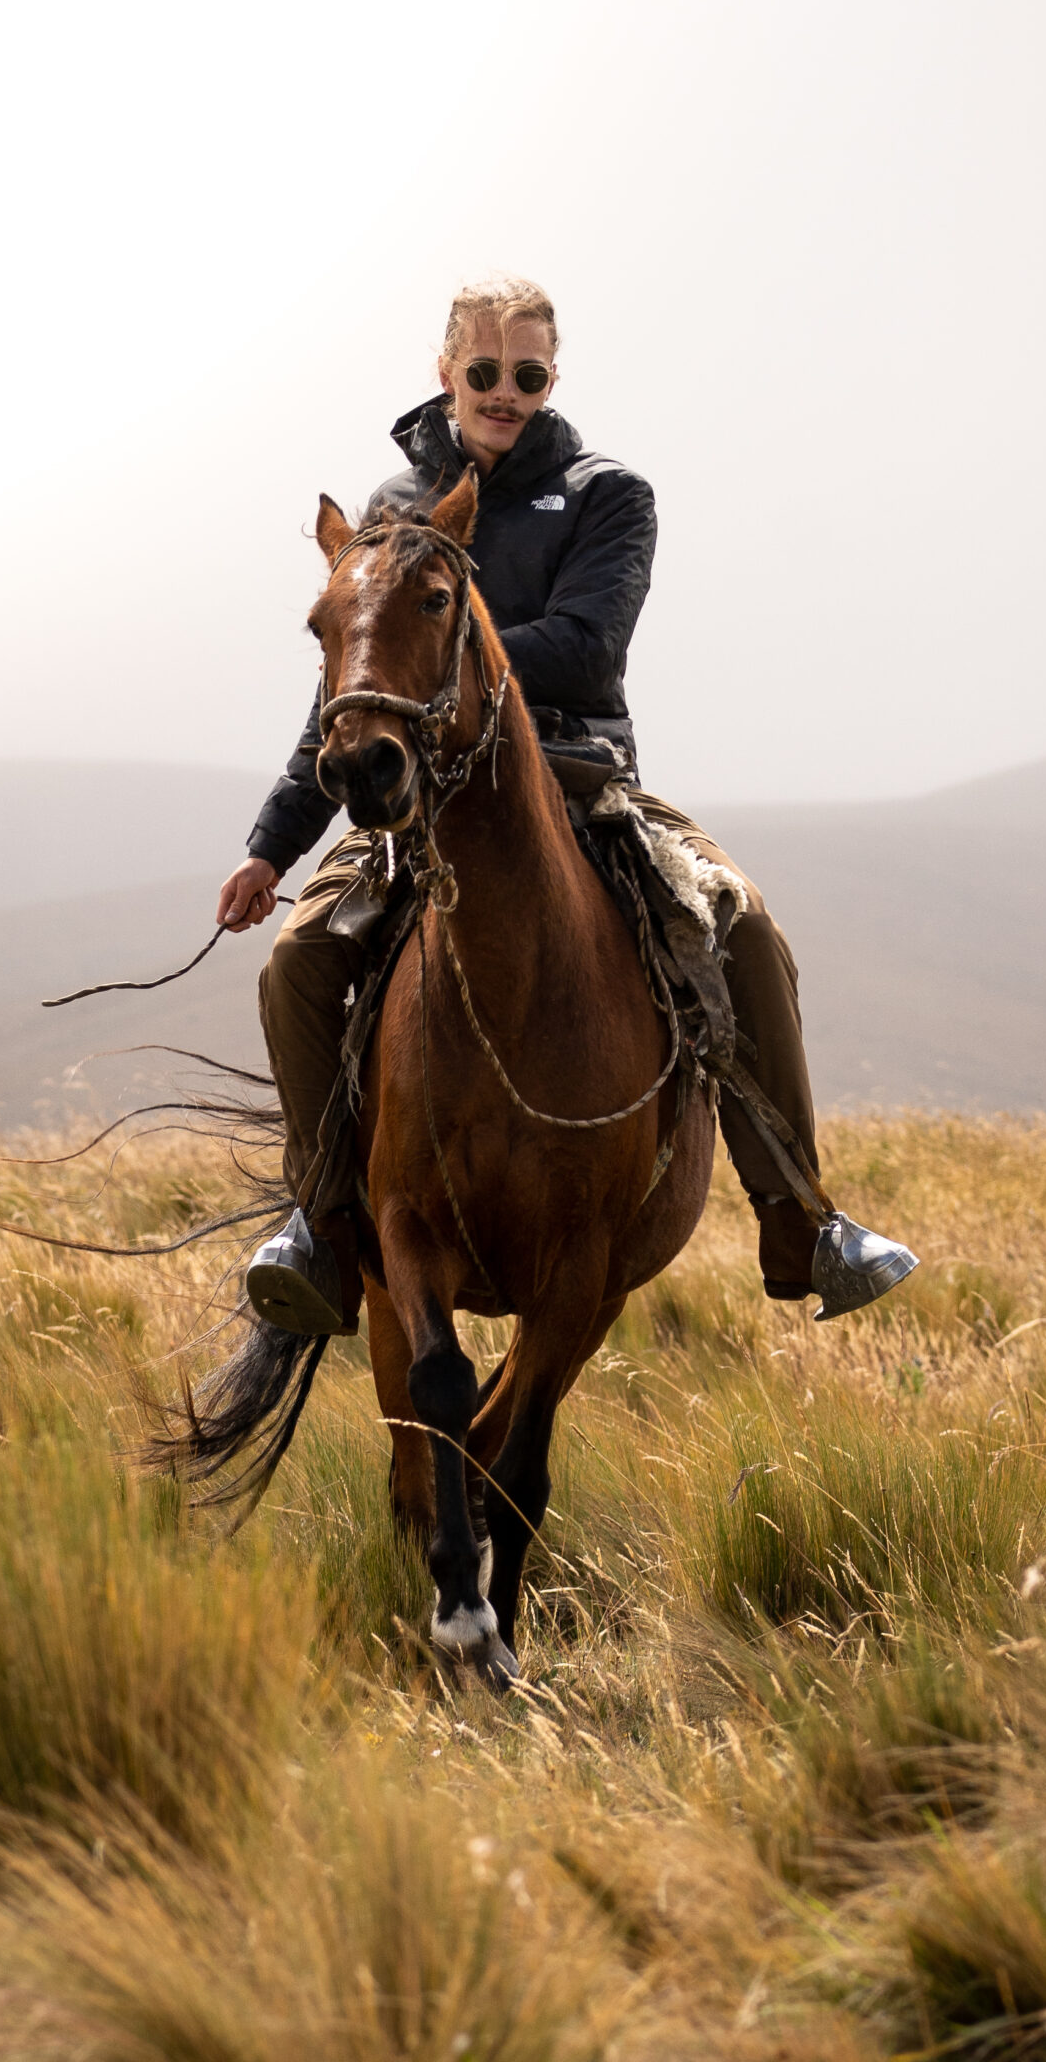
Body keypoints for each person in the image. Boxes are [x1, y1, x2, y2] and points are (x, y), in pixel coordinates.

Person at [216, 277, 914, 1334]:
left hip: (575, 779)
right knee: (297, 963)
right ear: (445, 373)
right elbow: (355, 683)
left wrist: (454, 661)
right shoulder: (391, 512)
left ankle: (801, 1218)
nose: (504, 392)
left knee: (744, 930)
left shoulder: (606, 493)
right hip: (419, 798)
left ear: (551, 379)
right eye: (484, 372)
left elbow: (590, 645)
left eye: (527, 375)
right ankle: (318, 1228)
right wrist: (272, 847)